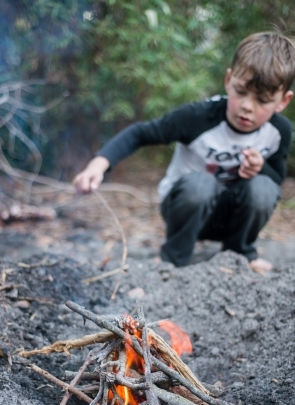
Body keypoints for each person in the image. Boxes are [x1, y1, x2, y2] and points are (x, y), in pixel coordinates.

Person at [74, 32, 295, 272]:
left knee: (263, 188)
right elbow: (140, 133)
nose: (247, 106)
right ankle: (173, 259)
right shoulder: (198, 117)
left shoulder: (278, 131)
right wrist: (98, 165)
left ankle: (239, 256)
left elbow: (275, 181)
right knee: (201, 184)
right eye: (241, 92)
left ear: (282, 101)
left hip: (232, 216)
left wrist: (260, 168)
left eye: (262, 100)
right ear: (229, 80)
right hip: (184, 207)